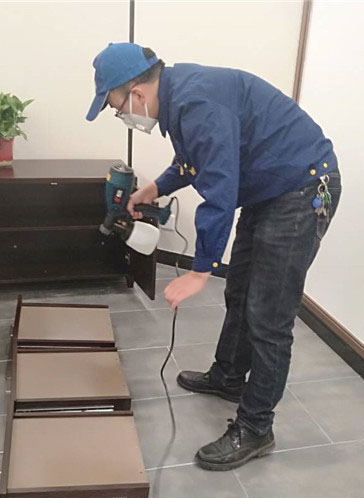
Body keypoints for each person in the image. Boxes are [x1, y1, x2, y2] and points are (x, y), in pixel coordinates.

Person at [86, 42, 342, 471]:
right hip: (270, 192)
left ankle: (256, 428)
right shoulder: (177, 96)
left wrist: (200, 270)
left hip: (301, 191)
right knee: (240, 293)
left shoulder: (196, 102)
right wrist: (156, 188)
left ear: (137, 94)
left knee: (269, 316)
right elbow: (193, 161)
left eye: (117, 109)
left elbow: (220, 189)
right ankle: (228, 377)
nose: (123, 116)